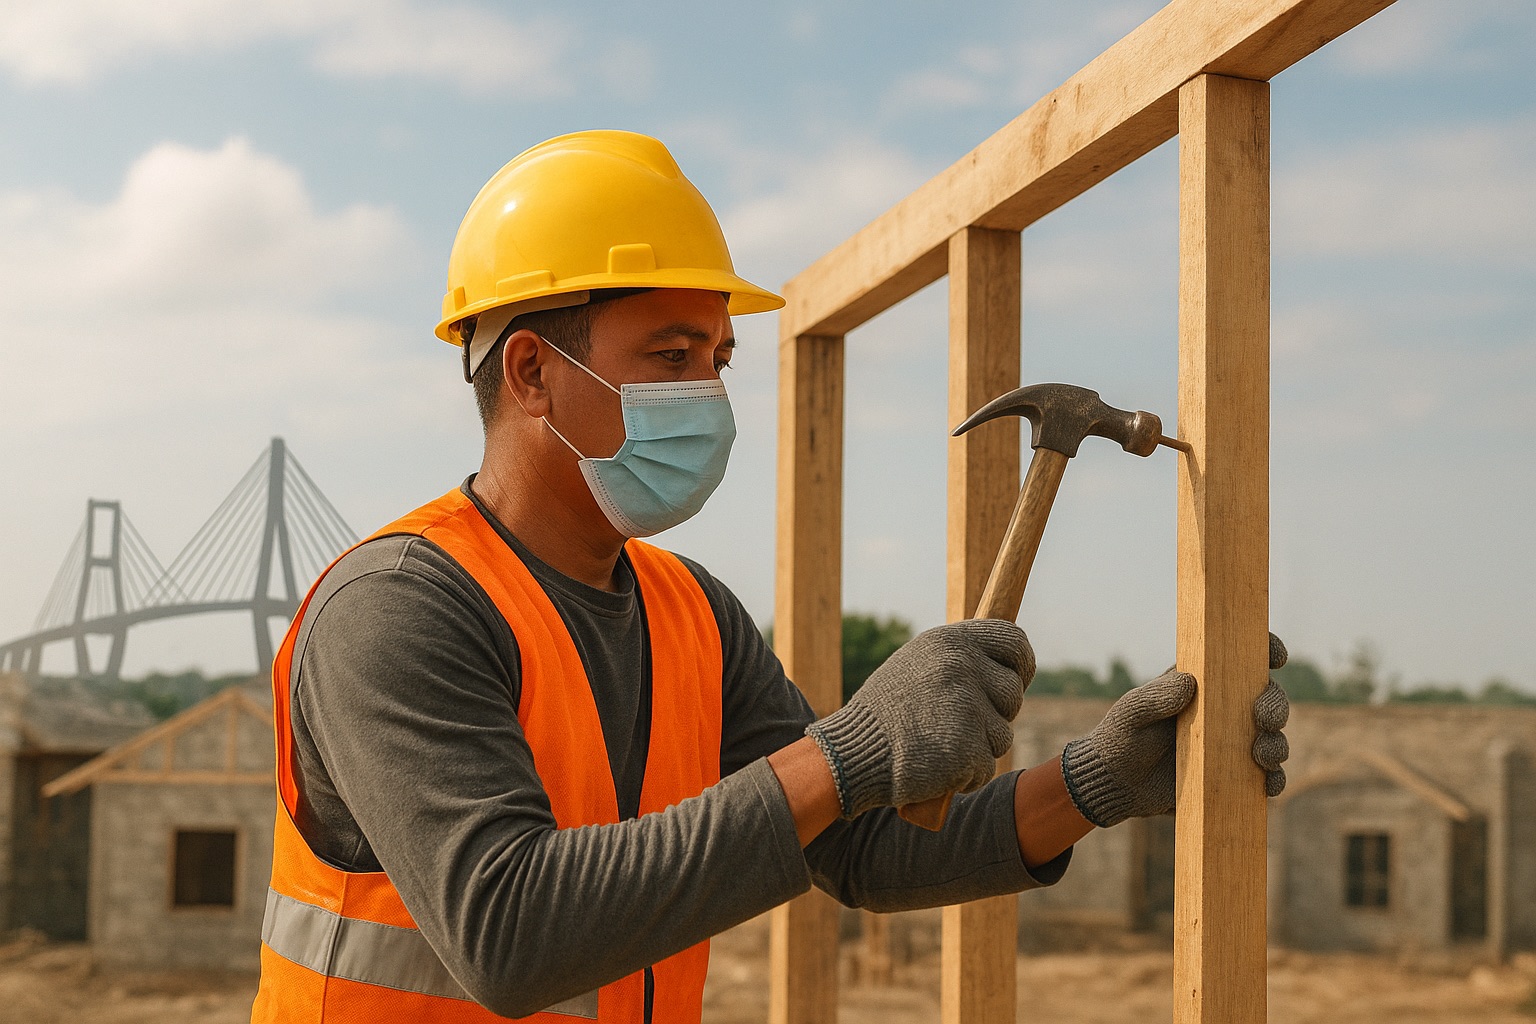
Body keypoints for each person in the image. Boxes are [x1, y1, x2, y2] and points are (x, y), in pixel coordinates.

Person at [251, 130, 1289, 1023]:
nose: (708, 390)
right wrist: (848, 750)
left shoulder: (689, 611)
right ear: (530, 372)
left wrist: (1095, 782)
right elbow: (509, 929)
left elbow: (863, 849)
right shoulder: (395, 609)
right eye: (671, 355)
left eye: (719, 356)